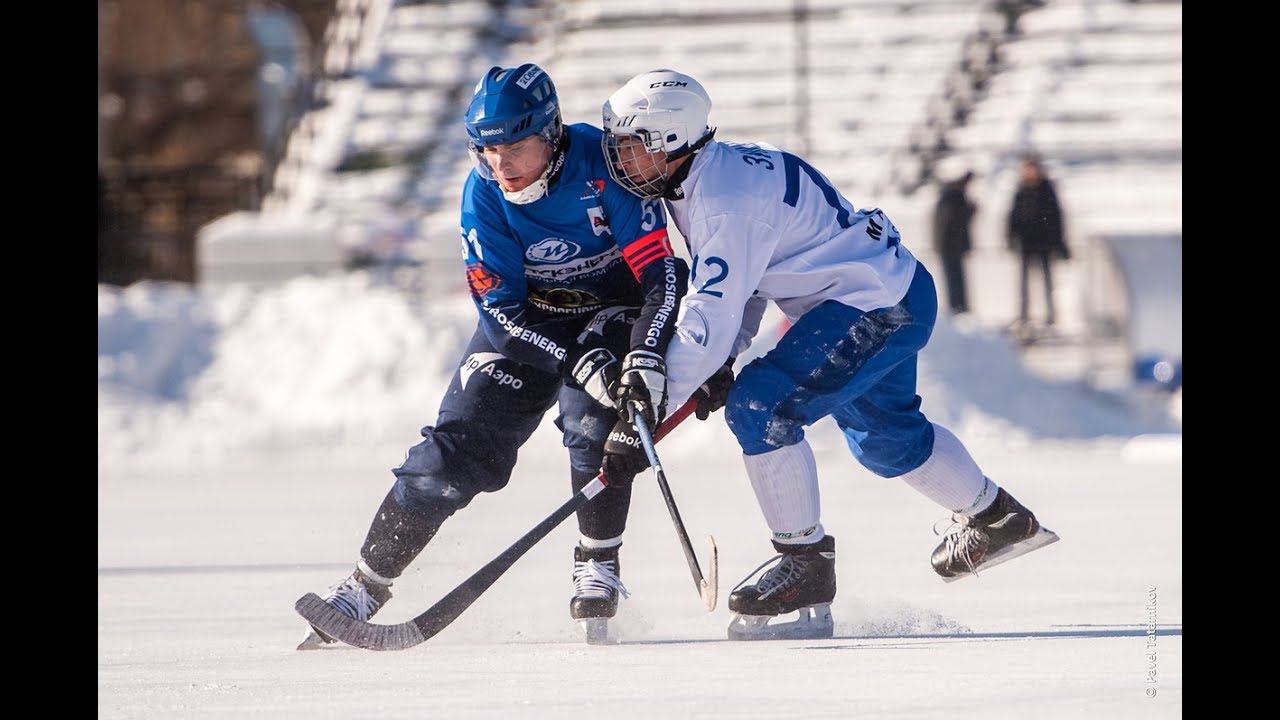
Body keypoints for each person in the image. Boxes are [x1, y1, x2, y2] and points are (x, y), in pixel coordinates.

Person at [600, 69, 1058, 641]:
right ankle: (999, 519)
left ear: (671, 139)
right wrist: (716, 364)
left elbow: (713, 310)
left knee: (760, 409)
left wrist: (648, 406)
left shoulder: (722, 201)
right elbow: (746, 285)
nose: (620, 160)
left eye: (631, 145)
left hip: (871, 304)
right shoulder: (713, 174)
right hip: (890, 289)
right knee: (887, 440)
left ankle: (806, 568)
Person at [299, 63, 690, 648]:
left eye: (515, 148)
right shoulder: (482, 195)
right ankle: (364, 585)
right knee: (452, 451)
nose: (500, 165)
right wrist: (574, 359)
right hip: (529, 324)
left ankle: (599, 563)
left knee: (593, 425)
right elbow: (500, 315)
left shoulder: (607, 164)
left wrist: (646, 357)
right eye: (486, 150)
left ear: (552, 134)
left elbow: (661, 274)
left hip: (612, 312)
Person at [1008, 153, 1069, 332]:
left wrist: (1057, 241)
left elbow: (1056, 217)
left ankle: (1051, 314)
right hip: (1026, 244)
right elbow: (1013, 217)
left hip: (1043, 243)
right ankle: (1024, 315)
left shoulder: (1047, 190)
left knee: (1046, 280)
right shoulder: (1021, 190)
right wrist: (1011, 238)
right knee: (1024, 283)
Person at [932, 170, 976, 316]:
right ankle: (958, 308)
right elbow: (955, 222)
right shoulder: (954, 197)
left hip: (949, 246)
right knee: (955, 279)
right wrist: (971, 211)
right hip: (950, 247)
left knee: (955, 279)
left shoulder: (948, 196)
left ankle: (959, 307)